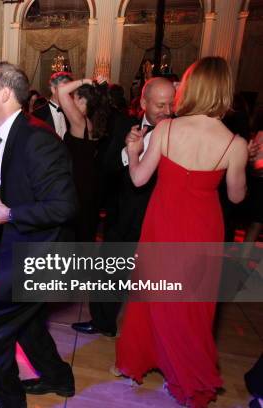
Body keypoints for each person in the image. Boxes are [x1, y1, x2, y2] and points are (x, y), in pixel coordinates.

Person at [116, 57, 248, 408]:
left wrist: (132, 150)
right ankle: (186, 376)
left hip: (163, 223)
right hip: (204, 228)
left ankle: (139, 363)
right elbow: (236, 197)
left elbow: (139, 178)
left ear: (188, 88)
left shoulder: (167, 130)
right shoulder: (234, 143)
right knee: (193, 305)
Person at [0, 63, 77, 408]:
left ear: (4, 93)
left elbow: (64, 205)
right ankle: (60, 379)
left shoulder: (37, 139)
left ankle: (7, 402)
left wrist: (10, 213)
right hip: (22, 247)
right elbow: (14, 181)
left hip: (42, 256)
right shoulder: (10, 132)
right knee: (27, 325)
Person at [72, 77, 176, 337]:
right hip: (123, 215)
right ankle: (103, 322)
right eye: (160, 105)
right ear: (143, 102)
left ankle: (152, 336)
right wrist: (128, 150)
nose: (167, 111)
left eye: (171, 105)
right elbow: (105, 167)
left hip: (161, 216)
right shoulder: (123, 126)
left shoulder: (180, 133)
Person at [57, 75, 109, 242]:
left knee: (74, 233)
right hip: (89, 183)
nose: (71, 99)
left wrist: (84, 81)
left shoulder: (80, 122)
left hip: (77, 184)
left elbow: (61, 91)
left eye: (75, 97)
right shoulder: (93, 122)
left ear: (82, 100)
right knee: (84, 230)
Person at [33, 71, 73, 139]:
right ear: (53, 89)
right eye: (64, 89)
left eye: (69, 90)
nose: (68, 93)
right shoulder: (37, 115)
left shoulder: (71, 114)